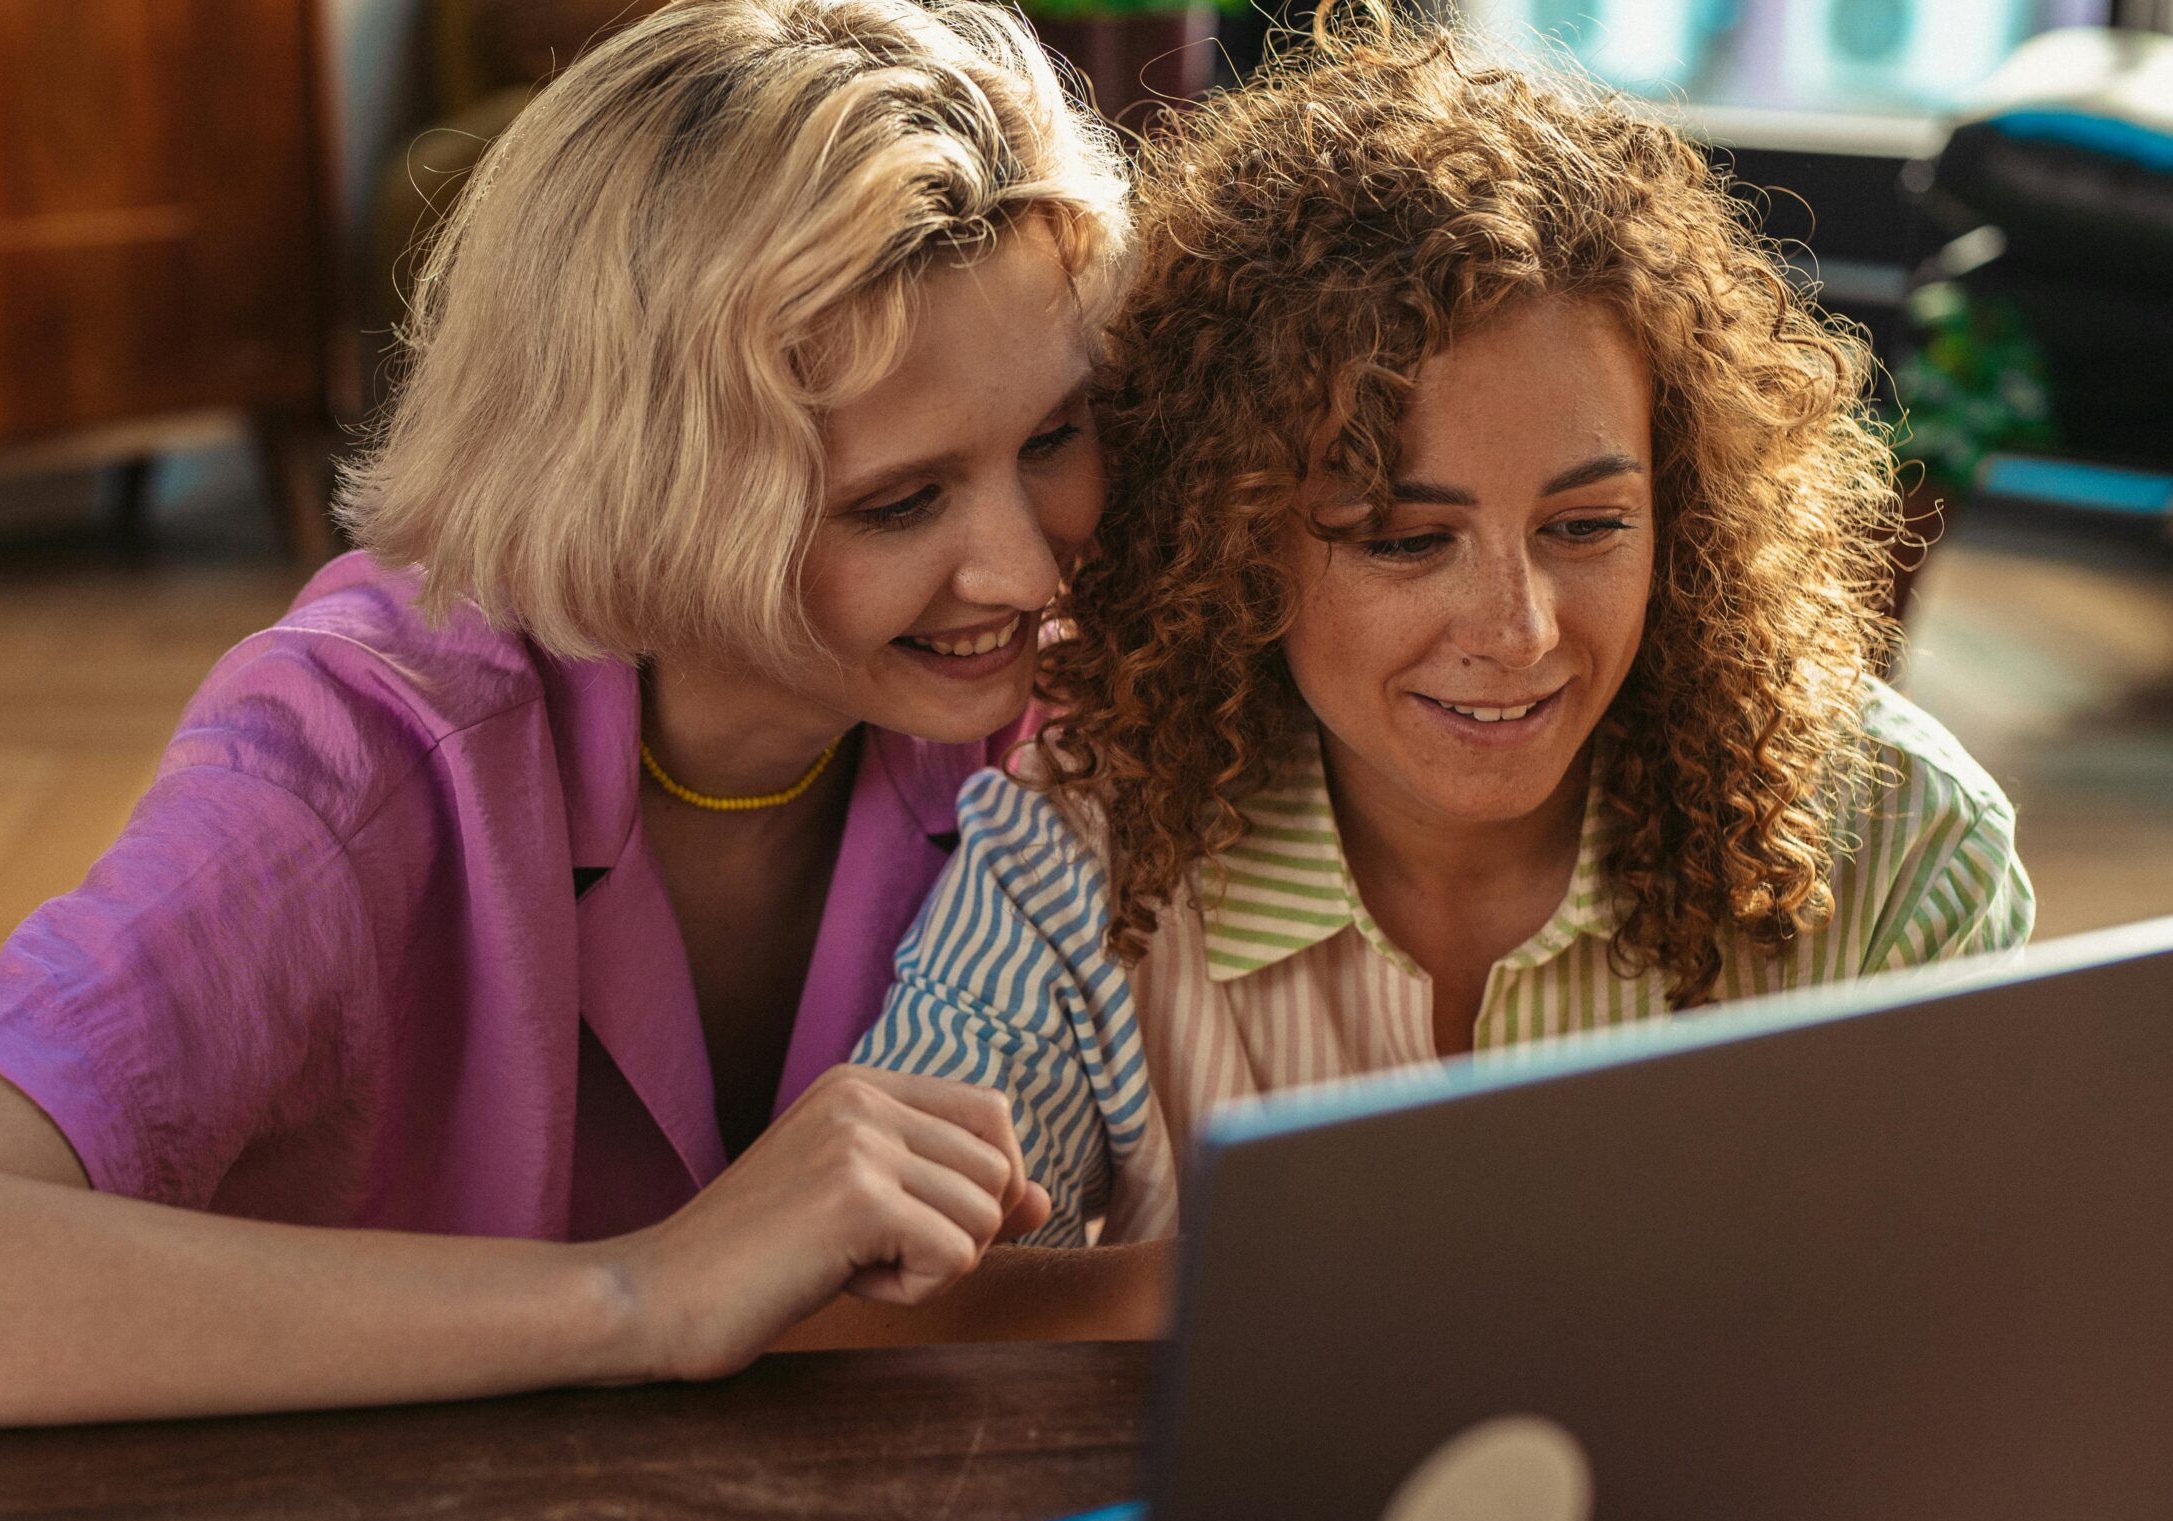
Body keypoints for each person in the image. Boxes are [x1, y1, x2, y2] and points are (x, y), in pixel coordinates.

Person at [0, 0, 1140, 1448]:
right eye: (900, 499)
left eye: (1054, 436)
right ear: (655, 481)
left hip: (790, 1509)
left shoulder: (1067, 719)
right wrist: (641, 1290)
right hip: (325, 1492)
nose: (1027, 567)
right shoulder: (358, 746)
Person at [855, 15, 2036, 1262]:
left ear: (1678, 515)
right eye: (1405, 540)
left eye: (1585, 526)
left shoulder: (1905, 842)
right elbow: (909, 1319)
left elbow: (1994, 1331)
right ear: (1234, 539)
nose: (1521, 632)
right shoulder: (1075, 856)